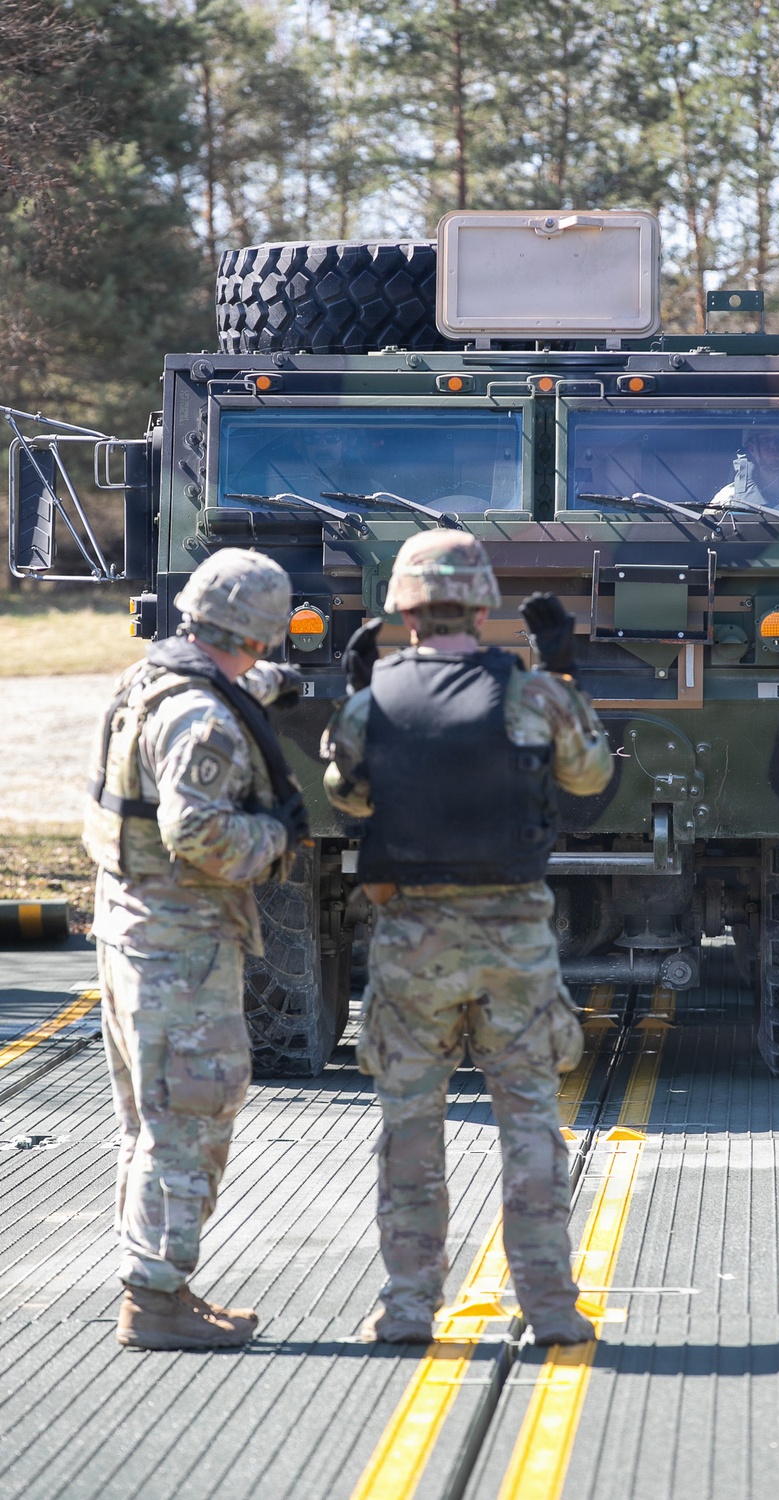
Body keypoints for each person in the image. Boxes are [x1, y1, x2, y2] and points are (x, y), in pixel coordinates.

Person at [321, 529, 613, 1346]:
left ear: (402, 609)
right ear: (482, 605)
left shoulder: (368, 701)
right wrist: (560, 672)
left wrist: (360, 697)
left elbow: (346, 798)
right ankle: (550, 1305)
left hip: (412, 945)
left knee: (409, 1126)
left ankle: (410, 1305)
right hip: (514, 943)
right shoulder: (532, 696)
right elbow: (590, 775)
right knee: (529, 1124)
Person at [83, 548, 310, 1352]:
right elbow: (198, 832)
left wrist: (290, 686)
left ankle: (163, 1283)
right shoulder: (203, 720)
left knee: (149, 1124)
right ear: (262, 627)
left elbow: (227, 690)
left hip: (131, 924)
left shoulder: (155, 680)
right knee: (189, 1119)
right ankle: (154, 1300)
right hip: (179, 942)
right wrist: (279, 836)